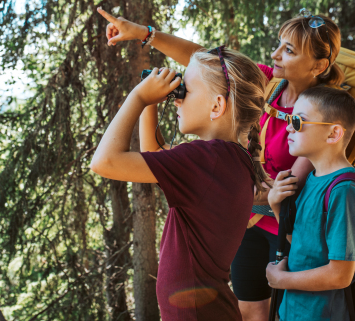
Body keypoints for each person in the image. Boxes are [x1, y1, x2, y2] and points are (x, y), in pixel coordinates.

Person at [97, 7, 344, 321]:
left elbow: (105, 161)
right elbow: (207, 62)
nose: (276, 53)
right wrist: (145, 35)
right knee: (250, 308)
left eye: (289, 49)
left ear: (319, 65)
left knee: (285, 312)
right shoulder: (265, 85)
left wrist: (139, 97)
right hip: (246, 220)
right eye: (279, 44)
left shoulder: (318, 110)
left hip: (284, 225)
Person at [90, 41, 271, 320]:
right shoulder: (227, 159)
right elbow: (153, 158)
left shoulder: (208, 159)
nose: (176, 98)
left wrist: (139, 97)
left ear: (216, 105)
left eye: (185, 90)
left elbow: (104, 162)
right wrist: (151, 104)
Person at [266, 86, 355, 321]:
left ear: (333, 134)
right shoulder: (314, 179)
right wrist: (276, 206)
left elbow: (340, 275)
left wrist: (281, 280)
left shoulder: (344, 191)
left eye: (298, 121)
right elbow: (308, 245)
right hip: (294, 311)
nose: (288, 127)